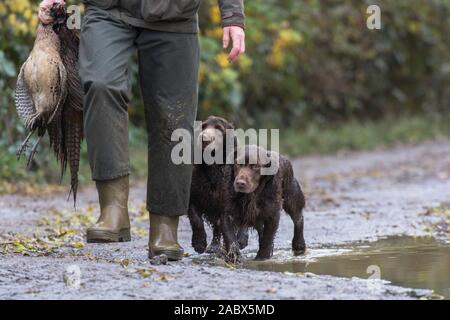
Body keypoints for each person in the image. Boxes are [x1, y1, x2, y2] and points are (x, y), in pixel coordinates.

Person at [38, 0, 246, 261]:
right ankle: (113, 209)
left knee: (174, 115)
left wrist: (233, 16)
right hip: (107, 10)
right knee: (101, 84)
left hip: (174, 15)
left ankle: (165, 227)